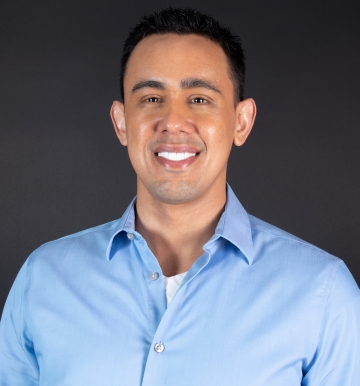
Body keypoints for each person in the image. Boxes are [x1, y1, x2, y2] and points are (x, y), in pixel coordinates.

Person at [0, 7, 359, 385]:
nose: (172, 120)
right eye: (151, 98)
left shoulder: (323, 294)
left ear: (241, 121)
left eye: (199, 99)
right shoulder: (44, 279)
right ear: (122, 123)